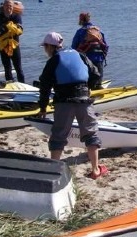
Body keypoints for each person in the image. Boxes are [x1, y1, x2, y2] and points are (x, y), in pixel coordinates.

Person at [37, 31, 109, 179]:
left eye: (45, 47)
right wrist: (88, 86)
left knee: (58, 136)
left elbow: (44, 85)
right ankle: (95, 170)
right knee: (91, 134)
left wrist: (43, 107)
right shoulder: (79, 54)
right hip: (84, 100)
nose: (45, 50)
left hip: (64, 102)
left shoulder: (53, 60)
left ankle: (54, 170)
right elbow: (95, 74)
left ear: (50, 46)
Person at [71, 12, 109, 90]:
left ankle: (87, 90)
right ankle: (98, 86)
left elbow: (74, 47)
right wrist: (103, 56)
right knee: (98, 81)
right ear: (89, 19)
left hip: (86, 60)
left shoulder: (80, 32)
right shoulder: (98, 31)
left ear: (81, 20)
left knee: (86, 82)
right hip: (99, 58)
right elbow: (105, 46)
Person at [0, 0, 25, 83]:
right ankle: (10, 85)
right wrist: (10, 27)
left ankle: (23, 85)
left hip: (14, 45)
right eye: (7, 5)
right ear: (3, 7)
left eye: (10, 5)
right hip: (3, 46)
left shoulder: (16, 17)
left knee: (18, 68)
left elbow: (19, 31)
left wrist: (6, 28)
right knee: (7, 68)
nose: (9, 7)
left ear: (13, 7)